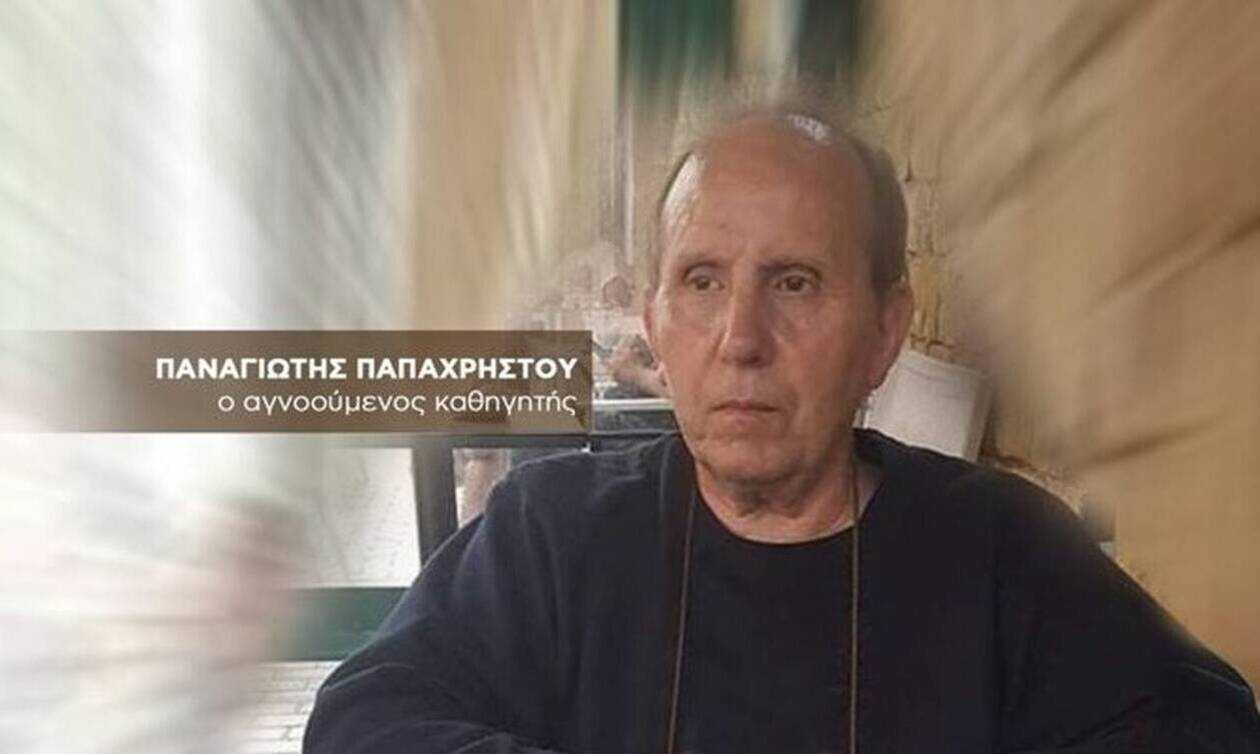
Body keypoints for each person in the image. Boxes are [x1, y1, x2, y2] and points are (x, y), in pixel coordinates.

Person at [304, 110, 1260, 753]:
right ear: (655, 323)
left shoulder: (1006, 549)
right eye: (702, 281)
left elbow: (1205, 727)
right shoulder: (553, 532)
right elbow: (365, 719)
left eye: (795, 283)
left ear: (885, 331)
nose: (741, 340)